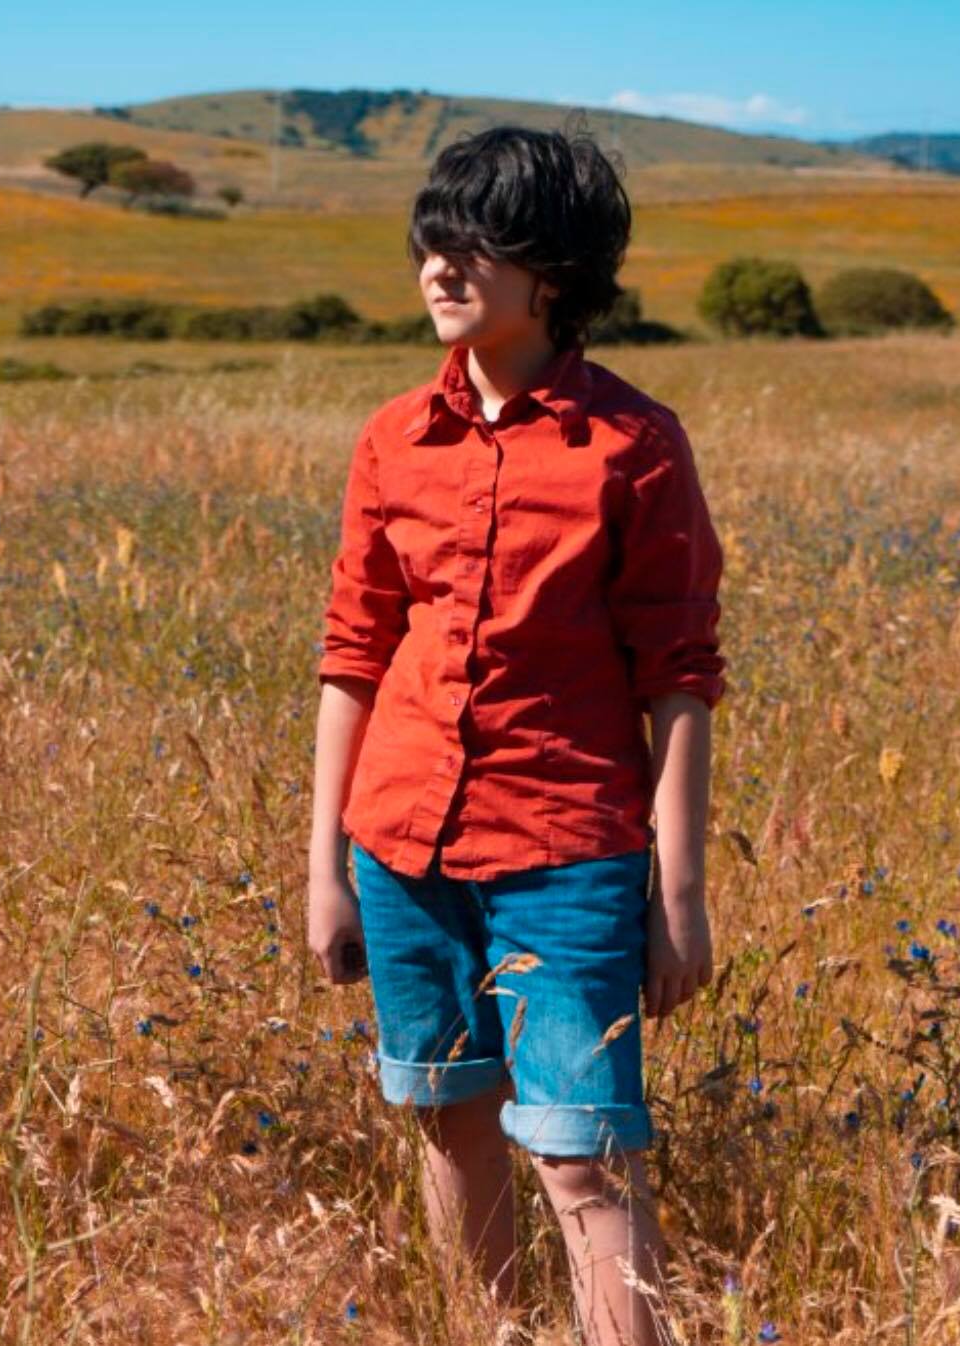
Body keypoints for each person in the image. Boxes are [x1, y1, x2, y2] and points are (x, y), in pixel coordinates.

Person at [305, 127, 722, 1345]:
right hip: (399, 848)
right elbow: (351, 657)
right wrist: (323, 866)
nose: (438, 263)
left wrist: (677, 893)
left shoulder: (633, 446)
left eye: (471, 239)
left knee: (583, 1162)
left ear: (553, 268)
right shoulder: (391, 438)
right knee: (447, 1118)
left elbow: (679, 680)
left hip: (564, 852)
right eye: (429, 237)